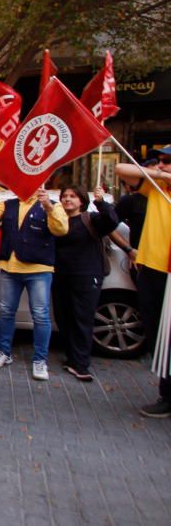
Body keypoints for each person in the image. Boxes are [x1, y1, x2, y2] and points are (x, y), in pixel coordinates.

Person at [0, 185, 68, 380]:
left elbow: (61, 229)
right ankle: (3, 351)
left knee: (41, 316)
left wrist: (49, 207)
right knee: (7, 312)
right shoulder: (8, 204)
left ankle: (40, 360)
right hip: (10, 268)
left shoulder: (53, 205)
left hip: (39, 269)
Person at [116, 147, 171, 418]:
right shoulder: (157, 186)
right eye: (160, 160)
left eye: (167, 161)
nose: (161, 165)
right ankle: (167, 393)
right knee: (159, 334)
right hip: (152, 269)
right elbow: (121, 170)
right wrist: (158, 173)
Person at [53, 186, 118, 381]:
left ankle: (81, 365)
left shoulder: (92, 219)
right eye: (64, 196)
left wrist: (100, 202)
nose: (67, 199)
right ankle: (72, 358)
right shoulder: (58, 221)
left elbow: (112, 221)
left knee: (82, 319)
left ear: (82, 201)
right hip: (61, 276)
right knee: (64, 317)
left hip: (86, 276)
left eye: (72, 196)